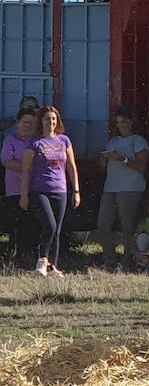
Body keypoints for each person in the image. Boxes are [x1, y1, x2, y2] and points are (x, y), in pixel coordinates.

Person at [19, 106, 80, 277]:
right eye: (47, 119)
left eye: (53, 119)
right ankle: (42, 260)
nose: (51, 122)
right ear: (41, 121)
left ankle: (53, 266)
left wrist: (76, 191)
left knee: (57, 230)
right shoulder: (34, 142)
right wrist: (24, 195)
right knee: (50, 224)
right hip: (39, 190)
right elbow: (26, 171)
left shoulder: (64, 140)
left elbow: (71, 166)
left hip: (60, 190)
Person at [95, 109, 149, 271]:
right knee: (103, 223)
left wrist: (122, 159)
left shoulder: (138, 141)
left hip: (130, 188)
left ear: (131, 122)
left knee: (127, 226)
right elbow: (102, 167)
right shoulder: (113, 141)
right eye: (118, 123)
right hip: (111, 187)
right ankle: (109, 260)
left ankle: (127, 262)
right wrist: (104, 158)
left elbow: (141, 166)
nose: (121, 126)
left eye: (124, 122)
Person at [2, 111, 37, 266]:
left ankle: (30, 257)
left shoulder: (37, 142)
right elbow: (7, 162)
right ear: (18, 123)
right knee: (15, 225)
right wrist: (29, 167)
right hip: (14, 190)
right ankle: (13, 258)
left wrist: (22, 165)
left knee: (31, 225)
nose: (27, 126)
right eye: (25, 122)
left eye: (31, 123)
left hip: (34, 189)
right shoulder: (10, 140)